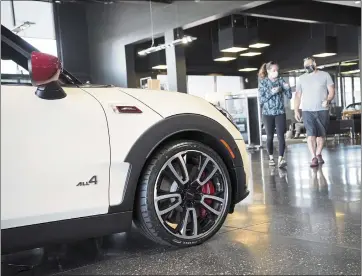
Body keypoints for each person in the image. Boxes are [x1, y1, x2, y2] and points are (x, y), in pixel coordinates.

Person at [294, 57, 335, 167]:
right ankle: (313, 157)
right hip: (307, 110)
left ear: (315, 64)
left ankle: (318, 154)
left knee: (320, 136)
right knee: (310, 135)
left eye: (309, 65)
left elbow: (331, 91)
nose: (308, 67)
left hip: (322, 110)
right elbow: (298, 95)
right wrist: (296, 109)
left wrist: (328, 100)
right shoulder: (301, 78)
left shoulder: (325, 75)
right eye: (305, 66)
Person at [258, 61, 292, 168]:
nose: (276, 72)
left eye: (277, 70)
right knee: (269, 136)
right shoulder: (263, 83)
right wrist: (272, 92)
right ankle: (271, 157)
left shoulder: (281, 81)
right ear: (268, 71)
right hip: (267, 114)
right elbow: (261, 100)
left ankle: (281, 158)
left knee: (281, 136)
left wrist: (287, 88)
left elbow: (289, 96)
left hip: (280, 112)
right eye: (273, 70)